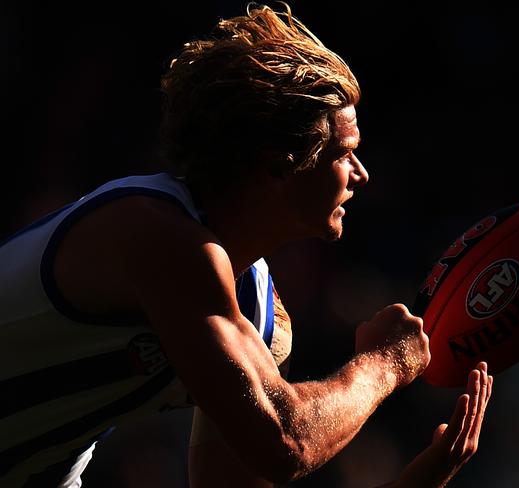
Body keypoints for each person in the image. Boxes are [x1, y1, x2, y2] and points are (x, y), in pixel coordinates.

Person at [0, 3, 493, 487]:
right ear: (280, 163)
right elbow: (285, 443)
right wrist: (385, 364)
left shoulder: (256, 312)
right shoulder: (153, 231)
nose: (362, 175)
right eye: (345, 153)